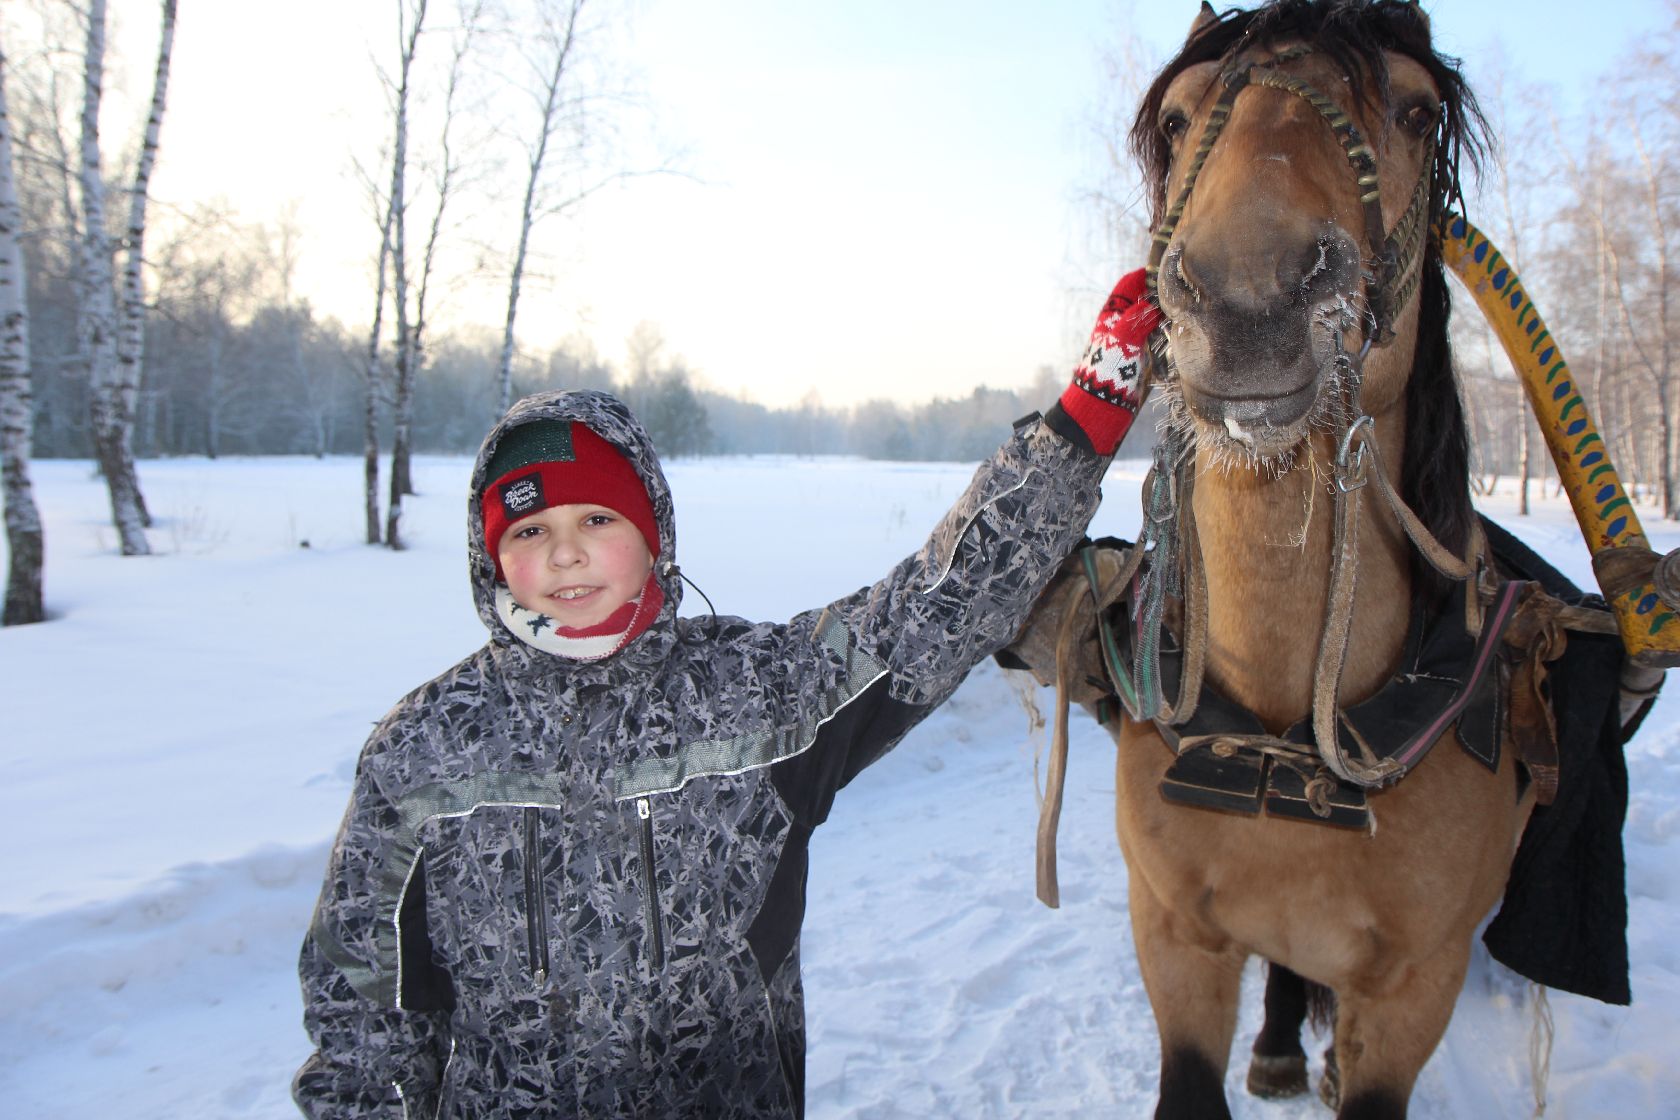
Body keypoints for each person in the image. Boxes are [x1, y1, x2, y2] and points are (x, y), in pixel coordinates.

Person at [293, 271, 1161, 1118]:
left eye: (597, 520)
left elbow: (934, 605)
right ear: (492, 561)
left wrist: (1083, 418)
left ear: (654, 533)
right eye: (530, 531)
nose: (566, 556)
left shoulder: (757, 699)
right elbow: (365, 1026)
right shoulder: (426, 750)